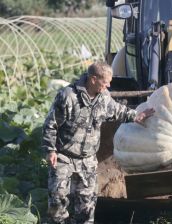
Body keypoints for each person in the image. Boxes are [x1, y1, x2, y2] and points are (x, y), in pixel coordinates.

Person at [42, 62, 155, 224]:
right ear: (93, 79)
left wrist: (137, 115)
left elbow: (117, 110)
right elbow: (51, 124)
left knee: (87, 205)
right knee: (57, 201)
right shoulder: (68, 96)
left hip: (88, 159)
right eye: (106, 81)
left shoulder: (104, 97)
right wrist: (50, 150)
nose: (109, 85)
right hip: (64, 156)